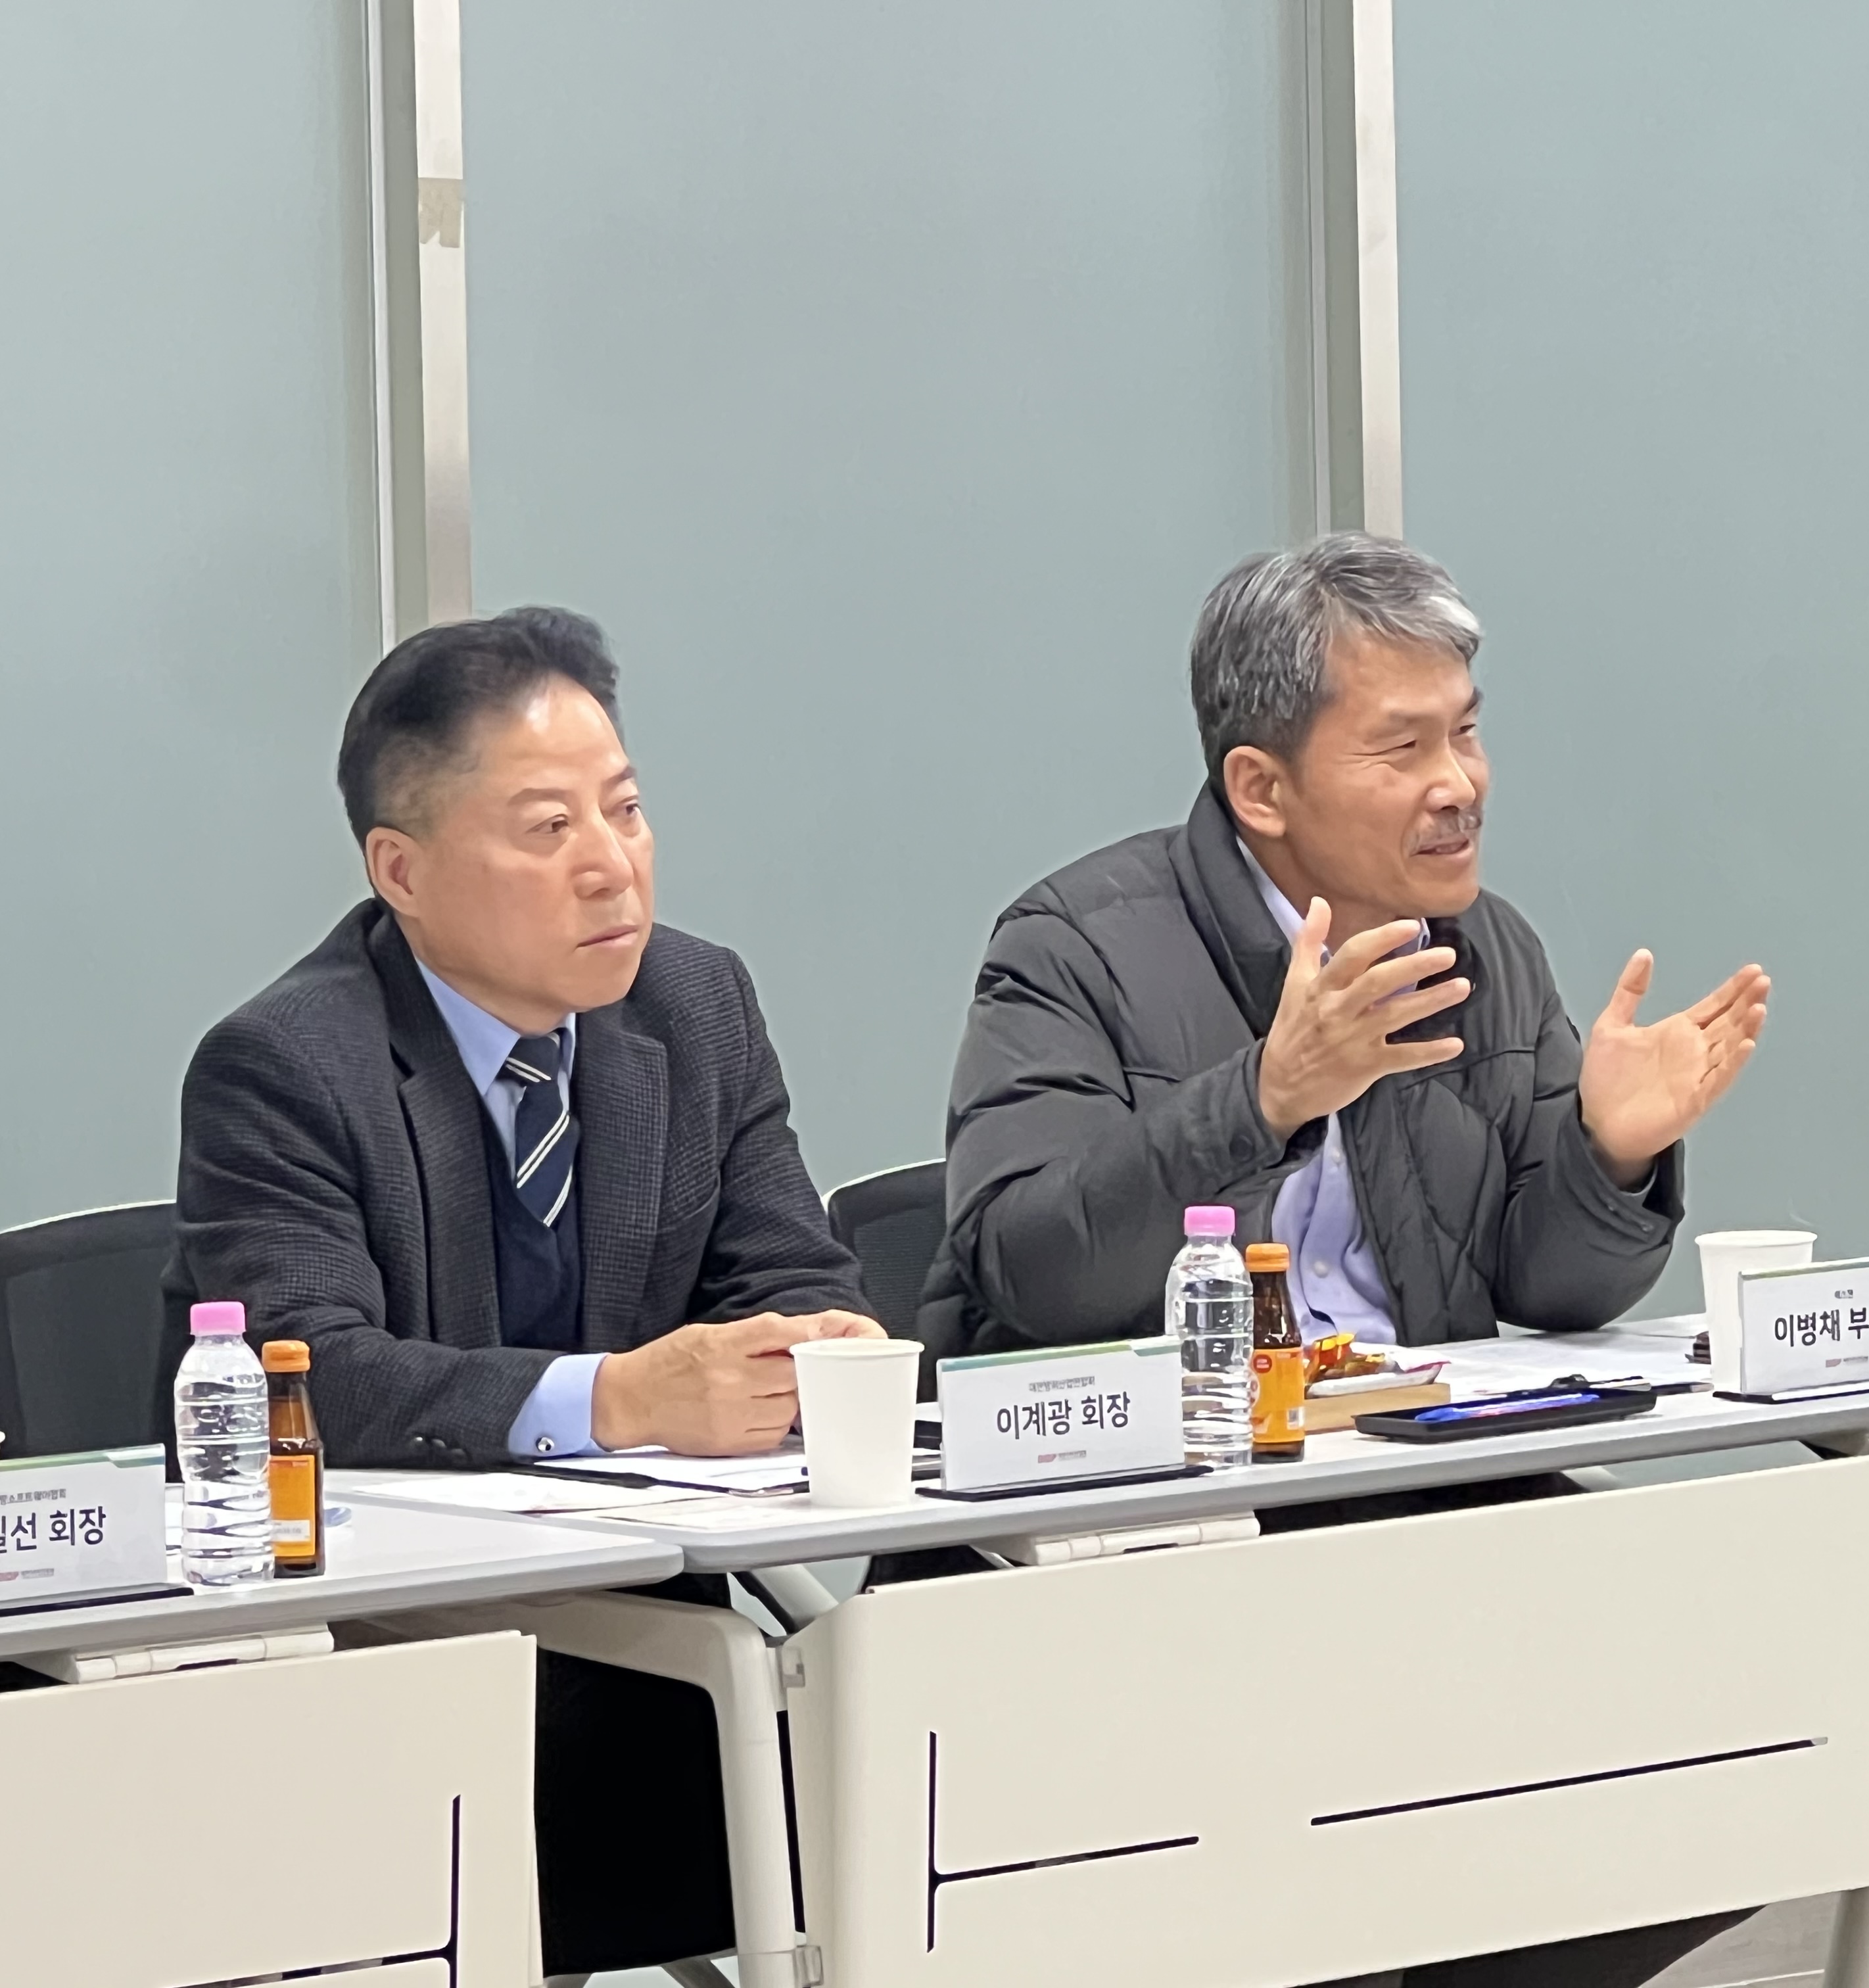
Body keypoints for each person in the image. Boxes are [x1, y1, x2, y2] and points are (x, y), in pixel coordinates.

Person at [919, 533, 1770, 1988]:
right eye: (1403, 746)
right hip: (1156, 1537)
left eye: (1468, 732)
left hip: (1406, 1504)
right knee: (1382, 1817)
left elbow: (1546, 1288)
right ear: (1263, 788)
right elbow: (1028, 1270)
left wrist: (1608, 1154)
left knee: (1728, 1737)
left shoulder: (1486, 951)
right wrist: (1260, 1098)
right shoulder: (1075, 946)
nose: (1461, 783)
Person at [163, 605, 879, 1977]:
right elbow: (307, 1373)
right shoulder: (286, 1064)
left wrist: (812, 1348)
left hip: (644, 1635)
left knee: (903, 1743)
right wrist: (617, 1400)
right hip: (370, 1657)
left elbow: (791, 1268)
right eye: (548, 829)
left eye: (626, 809)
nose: (612, 865)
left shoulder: (695, 1007)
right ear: (403, 870)